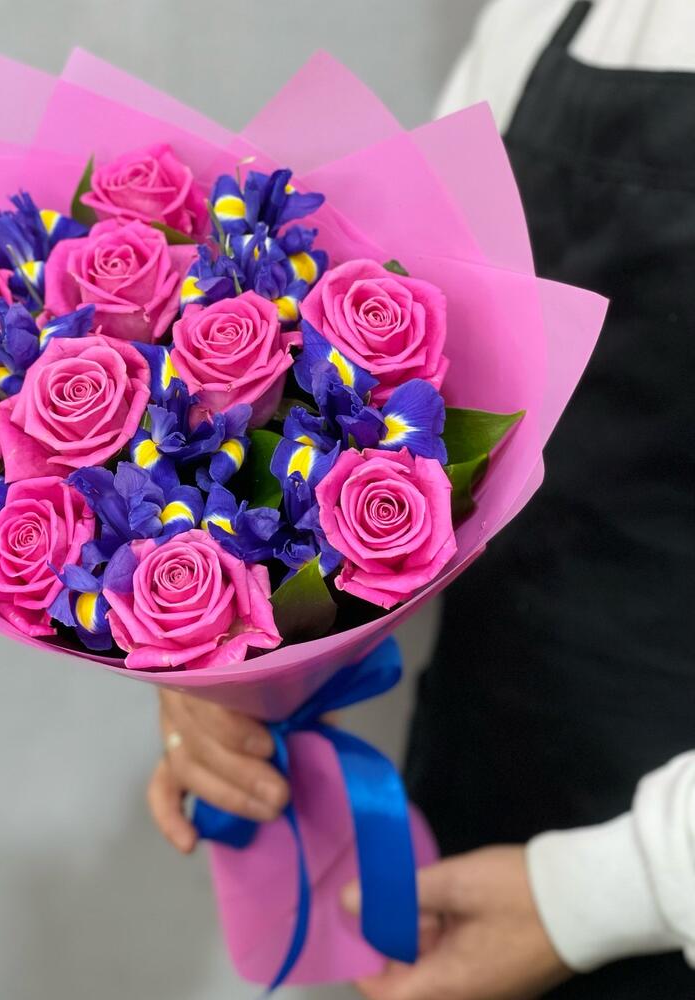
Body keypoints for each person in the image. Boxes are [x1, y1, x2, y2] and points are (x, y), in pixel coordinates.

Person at [146, 1, 695, 996]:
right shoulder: (536, 17)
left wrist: (608, 891)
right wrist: (218, 641)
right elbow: (419, 394)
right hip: (478, 771)